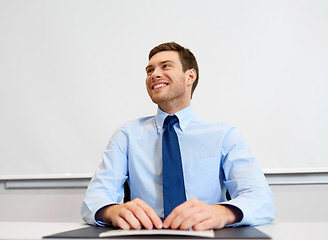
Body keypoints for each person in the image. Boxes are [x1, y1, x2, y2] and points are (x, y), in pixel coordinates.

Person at [81, 42, 275, 231]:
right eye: (149, 71)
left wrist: (222, 213)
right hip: (146, 234)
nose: (154, 74)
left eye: (165, 66)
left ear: (190, 76)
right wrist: (112, 211)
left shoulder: (224, 136)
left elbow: (261, 199)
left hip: (205, 233)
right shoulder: (127, 135)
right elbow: (94, 199)